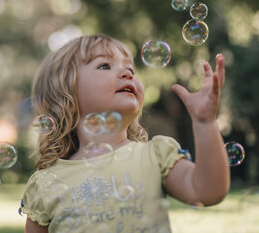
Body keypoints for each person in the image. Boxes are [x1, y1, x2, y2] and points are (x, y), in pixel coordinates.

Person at [20, 34, 230, 232]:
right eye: (104, 65)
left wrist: (205, 122)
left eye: (130, 68)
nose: (127, 73)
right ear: (66, 96)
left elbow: (208, 191)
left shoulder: (155, 155)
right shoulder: (46, 183)